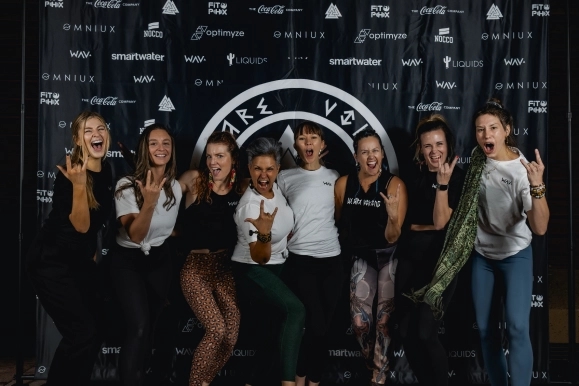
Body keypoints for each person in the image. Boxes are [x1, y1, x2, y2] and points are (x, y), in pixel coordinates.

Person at [407, 99, 549, 386]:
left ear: (507, 129)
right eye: (480, 129)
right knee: (485, 331)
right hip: (482, 258)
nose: (486, 135)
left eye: (493, 128)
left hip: (515, 255)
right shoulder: (477, 160)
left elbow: (541, 227)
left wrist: (537, 187)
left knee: (519, 328)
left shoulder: (522, 171)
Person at [27, 111, 113, 385]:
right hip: (50, 263)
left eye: (101, 128)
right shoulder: (70, 175)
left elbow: (95, 224)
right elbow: (81, 226)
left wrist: (91, 253)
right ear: (77, 139)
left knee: (96, 328)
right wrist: (78, 186)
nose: (96, 134)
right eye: (88, 131)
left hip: (78, 261)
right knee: (82, 332)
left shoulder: (107, 169)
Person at [110, 124, 184, 386]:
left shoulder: (175, 186)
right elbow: (136, 235)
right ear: (144, 148)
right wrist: (149, 202)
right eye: (154, 143)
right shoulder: (126, 185)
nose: (161, 148)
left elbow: (165, 228)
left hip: (160, 260)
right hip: (127, 262)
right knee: (139, 327)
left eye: (166, 143)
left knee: (152, 328)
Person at [395, 114, 464, 386]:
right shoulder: (415, 177)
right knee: (405, 332)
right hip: (411, 263)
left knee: (425, 333)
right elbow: (406, 226)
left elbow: (440, 222)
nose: (434, 151)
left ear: (448, 145)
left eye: (439, 144)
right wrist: (430, 227)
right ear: (420, 150)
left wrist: (443, 186)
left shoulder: (458, 179)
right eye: (427, 146)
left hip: (441, 266)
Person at [334, 128, 408, 385]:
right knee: (359, 323)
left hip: (388, 256)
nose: (371, 156)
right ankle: (372, 363)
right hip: (361, 259)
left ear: (383, 153)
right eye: (364, 151)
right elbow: (337, 223)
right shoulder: (344, 183)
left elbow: (393, 236)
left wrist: (393, 216)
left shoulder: (394, 185)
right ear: (356, 156)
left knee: (384, 321)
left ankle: (379, 376)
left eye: (375, 150)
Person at [231, 137, 305, 386]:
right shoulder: (250, 207)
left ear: (277, 170)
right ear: (249, 169)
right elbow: (259, 257)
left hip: (279, 267)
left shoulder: (276, 190)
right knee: (295, 311)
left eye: (269, 168)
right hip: (253, 270)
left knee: (271, 336)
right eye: (257, 169)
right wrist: (264, 233)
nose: (263, 175)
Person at [276, 121, 342, 386]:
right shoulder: (285, 177)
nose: (308, 143)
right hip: (301, 261)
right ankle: (299, 378)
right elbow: (274, 213)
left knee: (324, 330)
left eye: (313, 138)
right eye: (302, 139)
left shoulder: (336, 176)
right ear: (296, 146)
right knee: (314, 327)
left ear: (322, 145)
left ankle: (311, 381)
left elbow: (341, 215)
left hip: (333, 261)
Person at [178, 131, 242, 386]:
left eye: (219, 156)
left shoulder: (241, 187)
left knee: (231, 335)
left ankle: (204, 382)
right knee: (216, 330)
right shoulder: (195, 180)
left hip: (224, 268)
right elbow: (165, 193)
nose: (213, 162)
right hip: (196, 268)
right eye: (209, 156)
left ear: (233, 159)